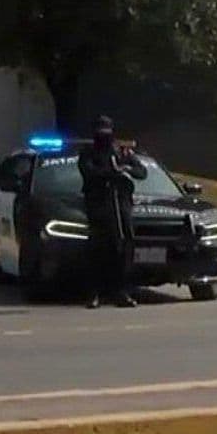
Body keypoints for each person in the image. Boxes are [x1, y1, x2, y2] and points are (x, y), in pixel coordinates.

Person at [78, 116, 146, 309]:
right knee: (98, 249)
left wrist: (126, 169)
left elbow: (141, 172)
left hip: (121, 204)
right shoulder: (88, 153)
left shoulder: (121, 152)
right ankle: (94, 294)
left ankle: (121, 292)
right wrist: (112, 172)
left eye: (107, 131)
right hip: (99, 205)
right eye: (100, 132)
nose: (104, 135)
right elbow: (89, 172)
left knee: (123, 248)